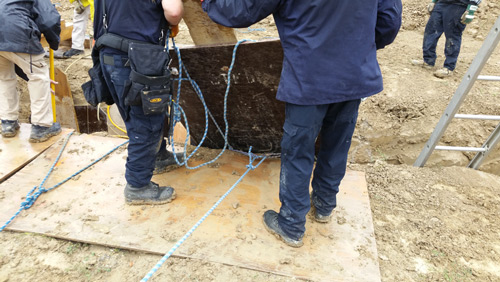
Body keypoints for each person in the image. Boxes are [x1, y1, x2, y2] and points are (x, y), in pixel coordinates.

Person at [202, 0, 402, 247]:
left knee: (299, 150)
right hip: (353, 74)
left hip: (309, 76)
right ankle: (324, 205)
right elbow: (389, 22)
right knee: (337, 142)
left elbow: (242, 11)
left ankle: (291, 224)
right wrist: (357, 46)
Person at [93, 0, 183, 205]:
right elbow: (174, 12)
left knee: (139, 114)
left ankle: (158, 156)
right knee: (147, 122)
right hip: (135, 58)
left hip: (108, 55)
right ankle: (138, 186)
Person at [0, 0, 62, 142]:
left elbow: (14, 57)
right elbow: (50, 20)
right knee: (39, 78)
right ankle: (42, 126)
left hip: (4, 37)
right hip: (18, 34)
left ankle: (8, 122)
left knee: (4, 78)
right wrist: (54, 42)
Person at [412, 0, 481, 78]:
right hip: (441, 3)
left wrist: (471, 9)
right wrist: (434, 1)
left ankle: (448, 67)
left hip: (459, 5)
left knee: (452, 36)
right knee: (431, 31)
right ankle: (428, 60)